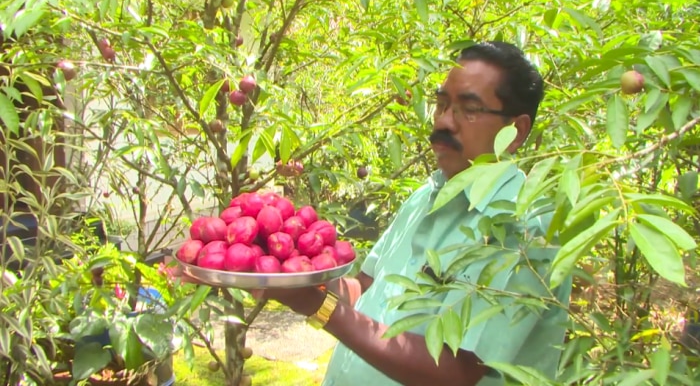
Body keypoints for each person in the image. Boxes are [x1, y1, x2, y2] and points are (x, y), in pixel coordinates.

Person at [179, 40, 573, 386]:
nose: (442, 121)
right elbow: (365, 290)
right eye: (441, 104)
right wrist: (283, 278)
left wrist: (317, 306)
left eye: (468, 109)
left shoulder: (523, 227)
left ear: (516, 132)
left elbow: (455, 372)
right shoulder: (427, 195)